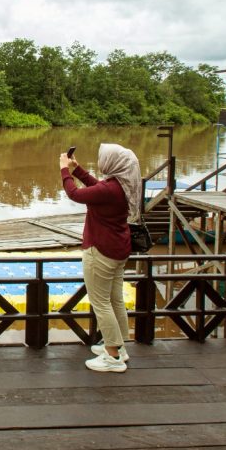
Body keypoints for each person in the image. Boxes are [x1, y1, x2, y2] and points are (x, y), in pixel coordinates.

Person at [59, 143, 142, 373]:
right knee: (115, 300)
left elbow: (75, 194)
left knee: (101, 303)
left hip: (101, 251)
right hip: (118, 250)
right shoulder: (122, 186)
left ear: (113, 164)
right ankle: (119, 347)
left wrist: (64, 170)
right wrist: (77, 170)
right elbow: (97, 188)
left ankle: (112, 356)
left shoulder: (111, 189)